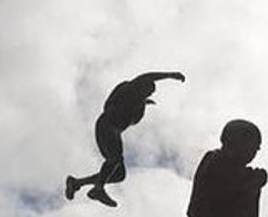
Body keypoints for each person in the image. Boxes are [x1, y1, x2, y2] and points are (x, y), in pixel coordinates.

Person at [65, 71, 186, 207]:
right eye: (148, 91)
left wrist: (144, 102)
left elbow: (135, 105)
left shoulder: (138, 102)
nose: (149, 94)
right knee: (115, 159)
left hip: (114, 132)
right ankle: (98, 189)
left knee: (118, 174)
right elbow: (148, 77)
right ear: (141, 86)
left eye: (150, 93)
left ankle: (76, 183)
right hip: (107, 125)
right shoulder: (130, 88)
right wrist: (171, 75)